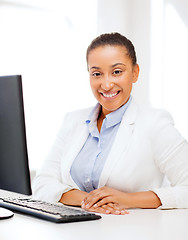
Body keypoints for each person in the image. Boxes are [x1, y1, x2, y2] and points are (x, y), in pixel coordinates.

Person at [33, 32, 188, 215]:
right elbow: (42, 183)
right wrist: (88, 200)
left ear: (135, 73)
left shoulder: (155, 124)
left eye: (117, 72)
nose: (106, 85)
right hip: (74, 230)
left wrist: (126, 199)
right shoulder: (73, 120)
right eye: (97, 73)